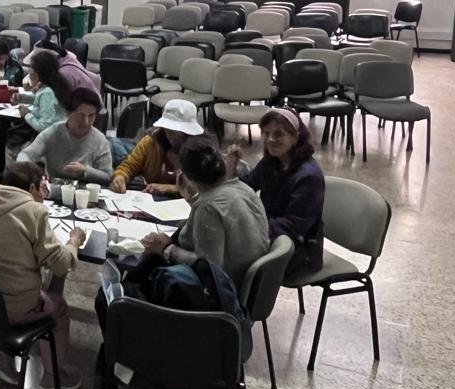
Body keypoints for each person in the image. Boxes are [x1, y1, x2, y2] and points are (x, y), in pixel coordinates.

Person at [0, 160, 85, 389]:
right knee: (57, 307)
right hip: (11, 308)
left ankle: (2, 359)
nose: (44, 195)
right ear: (31, 189)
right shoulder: (34, 212)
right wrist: (74, 242)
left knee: (5, 285)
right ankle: (52, 378)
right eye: (42, 188)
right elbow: (60, 265)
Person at [142, 136, 271, 286]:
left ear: (185, 175)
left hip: (223, 291)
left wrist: (166, 248)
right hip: (248, 282)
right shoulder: (243, 189)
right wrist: (192, 199)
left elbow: (210, 267)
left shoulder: (208, 208)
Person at [240, 108, 325, 276]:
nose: (270, 139)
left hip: (300, 253)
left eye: (278, 134)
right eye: (266, 133)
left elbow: (293, 226)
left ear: (295, 138)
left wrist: (250, 230)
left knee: (232, 257)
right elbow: (246, 187)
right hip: (272, 235)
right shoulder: (271, 162)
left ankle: (240, 301)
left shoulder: (308, 177)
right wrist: (225, 176)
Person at [21, 86, 112, 185]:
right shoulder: (53, 133)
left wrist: (85, 171)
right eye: (81, 115)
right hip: (54, 188)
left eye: (91, 116)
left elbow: (107, 176)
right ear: (68, 113)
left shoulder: (99, 139)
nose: (86, 122)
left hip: (86, 193)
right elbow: (26, 154)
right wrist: (30, 171)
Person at [110, 98, 202, 195]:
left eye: (179, 132)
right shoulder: (151, 142)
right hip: (152, 200)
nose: (173, 136)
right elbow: (129, 166)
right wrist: (120, 177)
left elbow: (202, 188)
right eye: (169, 130)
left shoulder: (200, 151)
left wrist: (172, 188)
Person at [16, 49, 71, 133]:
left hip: (53, 137)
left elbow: (44, 126)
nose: (29, 71)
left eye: (32, 67)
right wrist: (22, 98)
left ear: (40, 72)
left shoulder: (47, 92)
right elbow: (42, 102)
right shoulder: (55, 84)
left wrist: (27, 114)